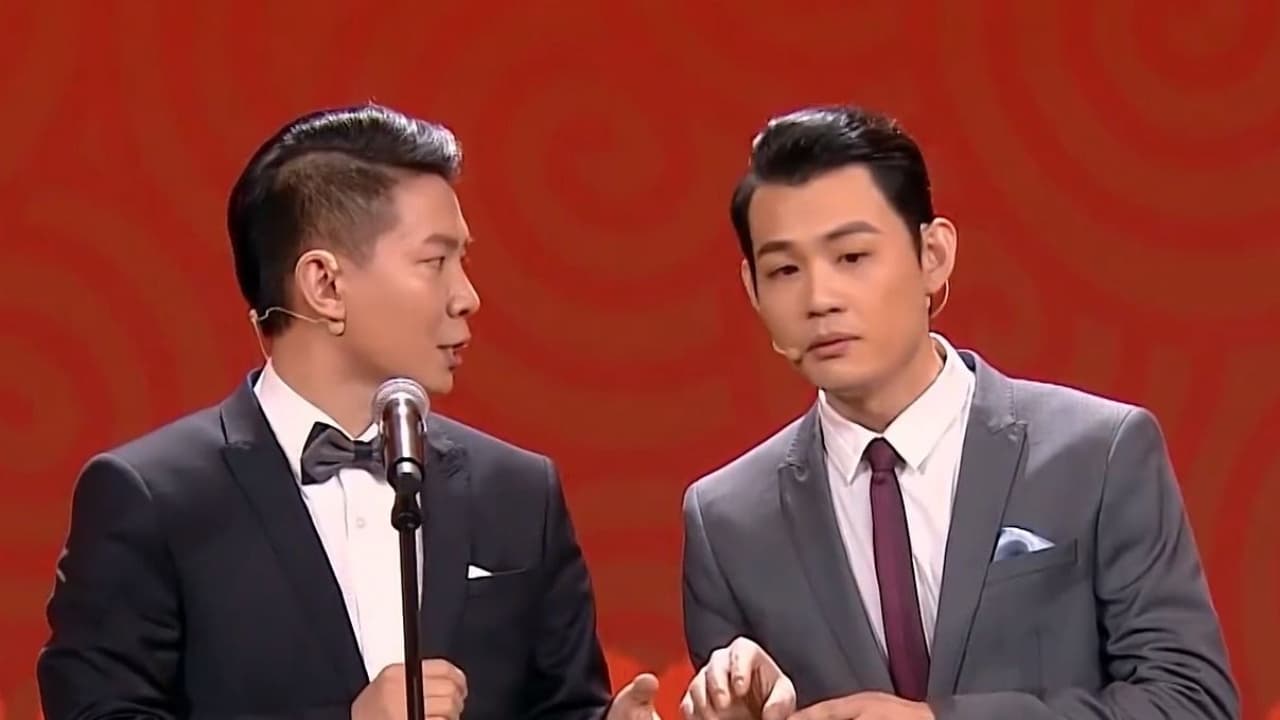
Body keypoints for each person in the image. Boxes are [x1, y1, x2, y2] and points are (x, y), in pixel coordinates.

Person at [37, 104, 661, 720]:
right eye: (435, 261)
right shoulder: (152, 499)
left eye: (462, 261)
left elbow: (564, 707)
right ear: (325, 285)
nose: (466, 296)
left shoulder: (518, 493)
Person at [678, 105, 1239, 719]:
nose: (820, 298)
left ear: (933, 255)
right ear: (753, 291)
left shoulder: (1098, 454)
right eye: (785, 270)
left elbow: (1191, 702)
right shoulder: (727, 523)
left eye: (852, 257)